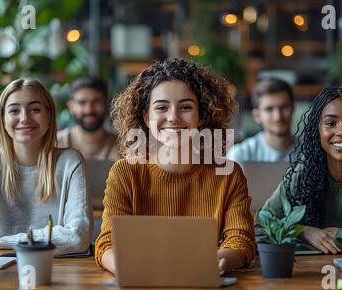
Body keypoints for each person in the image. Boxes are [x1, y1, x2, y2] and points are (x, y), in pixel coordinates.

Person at [95, 58, 256, 275]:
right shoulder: (125, 172)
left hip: (204, 283)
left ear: (201, 116)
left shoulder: (228, 174)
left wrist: (217, 260)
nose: (173, 117)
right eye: (161, 107)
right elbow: (106, 244)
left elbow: (241, 241)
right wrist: (129, 268)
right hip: (140, 284)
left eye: (185, 107)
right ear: (146, 116)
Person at [257, 85, 342, 254]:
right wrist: (303, 231)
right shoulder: (304, 173)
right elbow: (261, 226)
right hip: (312, 273)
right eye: (330, 123)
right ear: (318, 131)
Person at [0, 79, 93, 255]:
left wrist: (1, 242)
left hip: (59, 271)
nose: (25, 118)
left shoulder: (70, 162)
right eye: (14, 110)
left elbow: (78, 237)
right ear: (2, 119)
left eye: (35, 109)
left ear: (49, 116)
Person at [227, 78, 294, 163]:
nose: (278, 116)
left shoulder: (310, 152)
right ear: (257, 115)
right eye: (269, 109)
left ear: (293, 109)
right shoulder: (240, 154)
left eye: (284, 107)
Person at [57, 76, 119, 161]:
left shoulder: (122, 146)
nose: (89, 109)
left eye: (96, 101)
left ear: (105, 104)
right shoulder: (57, 144)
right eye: (82, 102)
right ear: (71, 106)